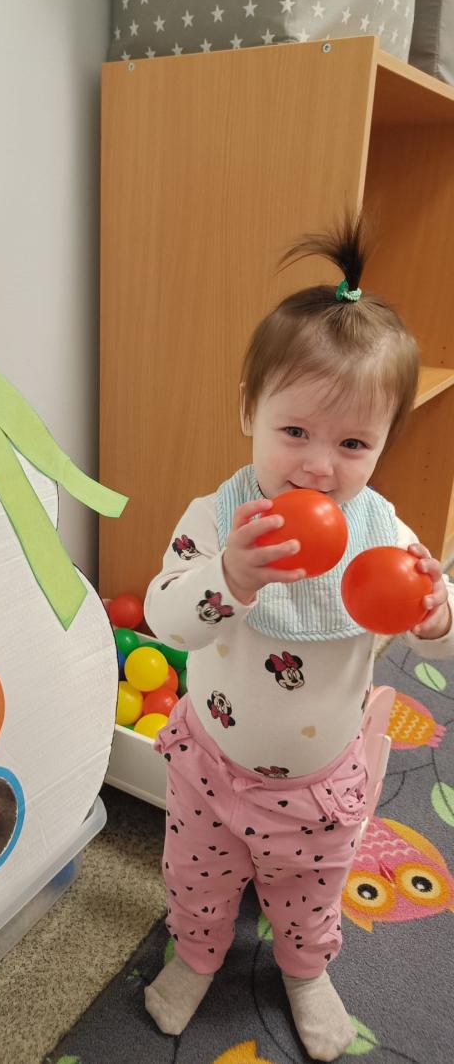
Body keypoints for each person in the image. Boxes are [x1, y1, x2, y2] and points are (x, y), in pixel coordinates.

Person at [142, 216, 454, 1062]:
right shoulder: (218, 520)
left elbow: (430, 632)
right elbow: (166, 616)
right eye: (295, 433)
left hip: (320, 785)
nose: (320, 466)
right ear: (250, 408)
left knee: (311, 894)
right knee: (195, 879)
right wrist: (230, 578)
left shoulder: (382, 530)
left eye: (353, 444)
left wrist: (436, 615)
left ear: (384, 443)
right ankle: (197, 954)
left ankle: (307, 973)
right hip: (212, 766)